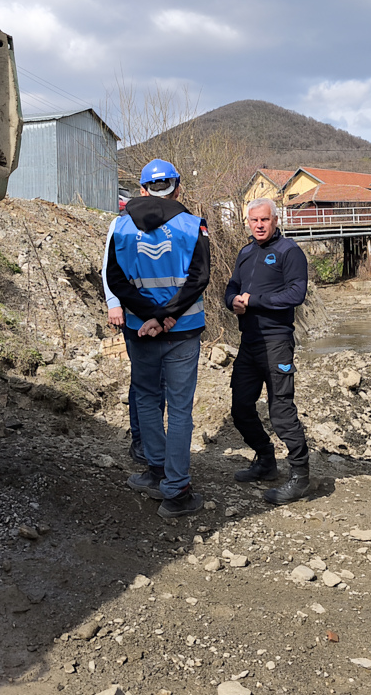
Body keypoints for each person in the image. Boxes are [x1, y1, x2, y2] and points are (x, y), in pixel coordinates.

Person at [106, 159, 210, 519]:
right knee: (179, 409)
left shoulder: (121, 226)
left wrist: (149, 316)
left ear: (143, 189)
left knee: (148, 400)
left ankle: (156, 473)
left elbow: (115, 281)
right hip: (182, 331)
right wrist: (167, 317)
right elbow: (199, 278)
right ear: (177, 188)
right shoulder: (193, 224)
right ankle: (176, 491)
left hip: (140, 330)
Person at [225, 197, 313, 505]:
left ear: (275, 220)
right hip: (249, 342)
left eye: (265, 220)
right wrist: (232, 300)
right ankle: (265, 459)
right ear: (247, 222)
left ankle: (300, 478)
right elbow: (232, 287)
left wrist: (254, 300)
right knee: (240, 407)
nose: (259, 225)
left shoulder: (289, 252)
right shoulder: (246, 253)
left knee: (281, 412)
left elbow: (296, 293)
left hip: (277, 343)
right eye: (254, 220)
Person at [102, 216, 153, 470]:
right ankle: (141, 441)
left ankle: (154, 439)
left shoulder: (179, 221)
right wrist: (113, 303)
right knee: (143, 379)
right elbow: (110, 266)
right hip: (134, 315)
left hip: (167, 317)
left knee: (160, 380)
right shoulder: (121, 223)